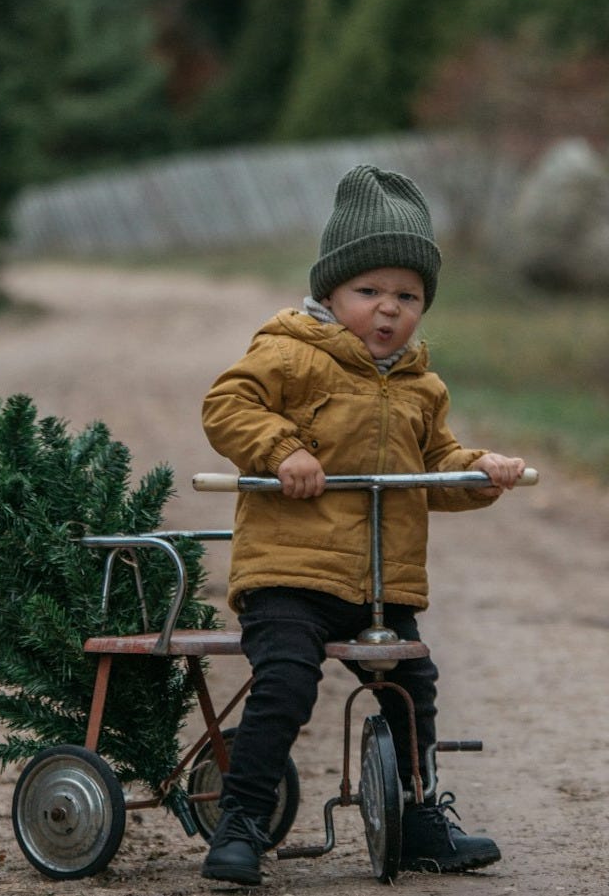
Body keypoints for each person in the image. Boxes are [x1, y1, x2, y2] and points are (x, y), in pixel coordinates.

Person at [200, 164, 526, 886]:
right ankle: (243, 821)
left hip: (380, 584)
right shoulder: (291, 353)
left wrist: (481, 470)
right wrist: (283, 449)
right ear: (330, 291)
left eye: (407, 296)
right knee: (286, 681)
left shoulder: (419, 384)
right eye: (369, 291)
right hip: (292, 572)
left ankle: (416, 818)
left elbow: (435, 462)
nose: (388, 311)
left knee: (414, 686)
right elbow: (227, 406)